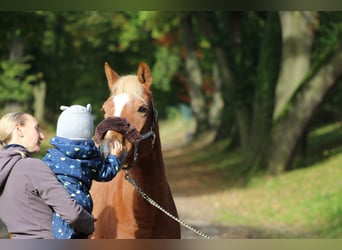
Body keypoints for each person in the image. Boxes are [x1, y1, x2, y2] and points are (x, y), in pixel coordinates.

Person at [0, 111, 94, 239]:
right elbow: (73, 214)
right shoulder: (32, 167)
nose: (42, 136)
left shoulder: (4, 168)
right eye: (36, 128)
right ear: (19, 130)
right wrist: (89, 223)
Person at [42, 104, 123, 239]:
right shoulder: (92, 156)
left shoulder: (52, 156)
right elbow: (105, 174)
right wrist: (114, 157)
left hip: (57, 207)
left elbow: (39, 174)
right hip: (82, 208)